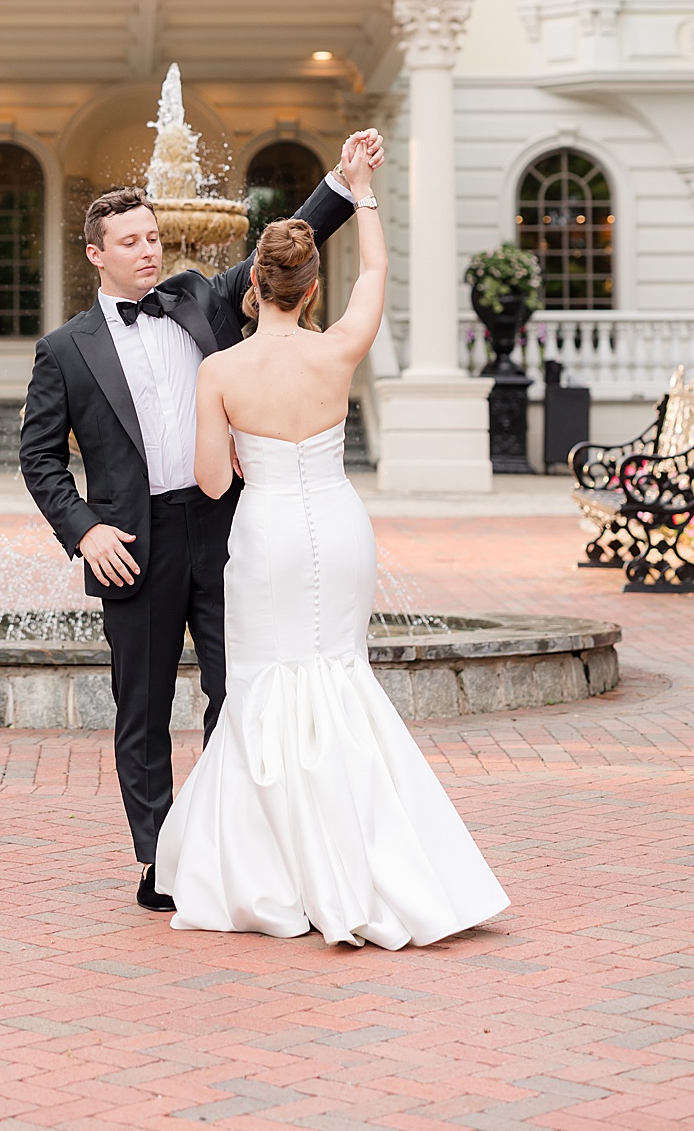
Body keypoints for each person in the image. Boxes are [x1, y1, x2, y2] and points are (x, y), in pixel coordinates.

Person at [155, 160, 509, 947]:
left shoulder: (221, 369)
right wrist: (365, 191)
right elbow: (378, 267)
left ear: (255, 288)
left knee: (263, 686)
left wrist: (240, 449)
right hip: (339, 523)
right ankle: (375, 857)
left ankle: (276, 871)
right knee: (342, 675)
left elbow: (211, 484)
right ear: (311, 288)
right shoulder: (340, 346)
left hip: (269, 529)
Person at [21, 136, 373, 913]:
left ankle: (223, 843)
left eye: (151, 237)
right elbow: (40, 457)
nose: (147, 252)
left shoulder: (195, 298)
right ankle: (160, 860)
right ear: (96, 255)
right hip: (131, 547)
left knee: (235, 690)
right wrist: (84, 531)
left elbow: (281, 253)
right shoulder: (65, 351)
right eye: (130, 242)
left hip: (224, 530)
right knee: (141, 710)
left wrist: (344, 185)